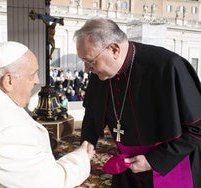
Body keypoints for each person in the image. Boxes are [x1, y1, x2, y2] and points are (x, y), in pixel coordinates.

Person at [73, 18, 201, 188]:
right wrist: (88, 140)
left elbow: (197, 128)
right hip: (127, 168)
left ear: (114, 49)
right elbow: (92, 113)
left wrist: (153, 161)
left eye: (90, 61)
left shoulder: (168, 66)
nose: (86, 69)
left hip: (168, 164)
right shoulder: (101, 72)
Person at [0, 41, 95, 188]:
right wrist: (81, 157)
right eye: (32, 75)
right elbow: (49, 183)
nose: (37, 81)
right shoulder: (9, 130)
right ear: (9, 81)